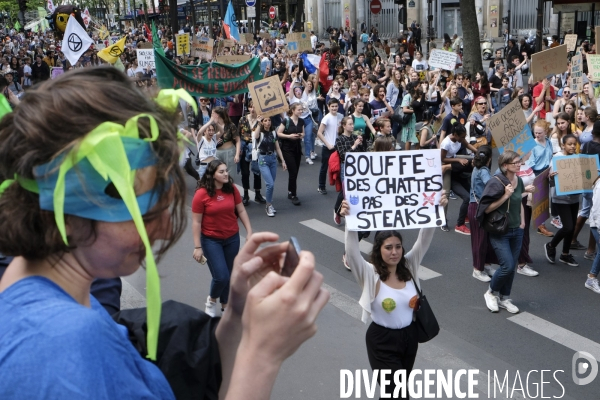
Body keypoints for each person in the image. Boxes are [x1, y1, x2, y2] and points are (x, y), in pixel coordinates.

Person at [0, 67, 329, 399]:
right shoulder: (58, 345)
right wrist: (264, 354)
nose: (162, 229)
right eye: (144, 207)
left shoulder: (55, 305)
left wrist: (239, 313)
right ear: (70, 209)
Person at [339, 192, 447, 399]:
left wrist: (435, 209)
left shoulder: (409, 265)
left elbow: (423, 240)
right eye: (388, 247)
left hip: (409, 338)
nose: (394, 252)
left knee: (394, 392)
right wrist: (349, 221)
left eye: (398, 246)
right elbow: (352, 255)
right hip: (381, 341)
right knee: (399, 394)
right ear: (378, 250)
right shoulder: (370, 274)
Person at [192, 159, 253, 316]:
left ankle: (225, 306)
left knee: (229, 275)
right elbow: (196, 222)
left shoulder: (231, 189)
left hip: (232, 238)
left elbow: (241, 211)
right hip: (211, 240)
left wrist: (250, 232)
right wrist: (198, 247)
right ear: (212, 175)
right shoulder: (201, 194)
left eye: (226, 170)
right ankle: (212, 300)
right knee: (221, 276)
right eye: (221, 171)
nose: (226, 173)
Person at [477, 151, 533, 314]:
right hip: (500, 230)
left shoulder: (519, 180)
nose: (519, 164)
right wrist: (505, 196)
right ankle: (490, 292)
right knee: (507, 265)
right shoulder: (495, 183)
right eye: (515, 162)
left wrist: (522, 222)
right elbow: (486, 208)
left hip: (517, 230)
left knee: (512, 267)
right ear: (505, 166)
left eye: (519, 162)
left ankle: (504, 297)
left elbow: (519, 202)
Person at [544, 134, 581, 267]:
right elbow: (550, 180)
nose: (572, 146)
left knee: (571, 228)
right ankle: (551, 245)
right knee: (568, 226)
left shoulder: (578, 158)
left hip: (574, 197)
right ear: (563, 145)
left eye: (574, 144)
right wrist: (552, 177)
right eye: (569, 144)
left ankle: (565, 254)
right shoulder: (557, 158)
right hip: (560, 198)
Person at [468, 146, 496, 282]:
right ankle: (478, 269)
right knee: (480, 240)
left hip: (474, 206)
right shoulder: (484, 170)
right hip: (480, 208)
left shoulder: (476, 168)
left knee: (483, 239)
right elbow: (490, 186)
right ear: (489, 158)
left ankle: (484, 265)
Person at [526, 120, 554, 237]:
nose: (537, 135)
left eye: (539, 133)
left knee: (543, 199)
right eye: (535, 133)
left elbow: (551, 156)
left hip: (547, 172)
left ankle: (540, 224)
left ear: (546, 132)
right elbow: (530, 163)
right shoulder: (533, 145)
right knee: (537, 200)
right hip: (536, 173)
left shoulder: (548, 142)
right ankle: (540, 225)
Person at [254, 116, 286, 217]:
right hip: (263, 159)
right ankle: (268, 205)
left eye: (269, 120)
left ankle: (270, 204)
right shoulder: (260, 133)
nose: (268, 122)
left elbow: (277, 148)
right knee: (270, 184)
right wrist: (259, 123)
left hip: (272, 159)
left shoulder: (273, 132)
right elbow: (255, 136)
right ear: (262, 122)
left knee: (271, 184)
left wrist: (283, 161)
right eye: (265, 121)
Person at [237, 101, 266, 205]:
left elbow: (263, 133)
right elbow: (238, 135)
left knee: (257, 171)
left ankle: (258, 194)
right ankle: (245, 194)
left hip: (256, 148)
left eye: (254, 107)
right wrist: (238, 149)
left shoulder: (261, 120)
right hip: (245, 147)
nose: (252, 110)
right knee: (245, 173)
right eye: (250, 107)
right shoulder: (243, 119)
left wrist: (260, 122)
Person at [277, 103, 305, 205]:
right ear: (293, 110)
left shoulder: (301, 121)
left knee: (295, 172)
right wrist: (289, 136)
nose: (301, 111)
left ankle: (290, 190)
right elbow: (279, 133)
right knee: (293, 171)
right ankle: (294, 195)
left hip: (297, 148)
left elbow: (303, 133)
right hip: (287, 149)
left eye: (302, 110)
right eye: (299, 110)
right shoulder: (286, 121)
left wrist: (300, 135)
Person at [317, 99, 343, 195]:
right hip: (328, 147)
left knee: (338, 167)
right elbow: (319, 133)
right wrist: (327, 144)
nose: (334, 108)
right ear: (328, 107)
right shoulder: (326, 118)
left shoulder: (341, 116)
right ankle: (321, 186)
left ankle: (340, 186)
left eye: (336, 106)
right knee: (324, 167)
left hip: (338, 146)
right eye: (332, 106)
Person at [212, 106, 241, 179]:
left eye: (213, 114)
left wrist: (237, 154)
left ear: (217, 115)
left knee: (229, 176)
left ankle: (230, 189)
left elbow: (237, 140)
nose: (211, 115)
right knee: (218, 175)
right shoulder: (212, 126)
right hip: (217, 152)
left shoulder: (230, 125)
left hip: (229, 152)